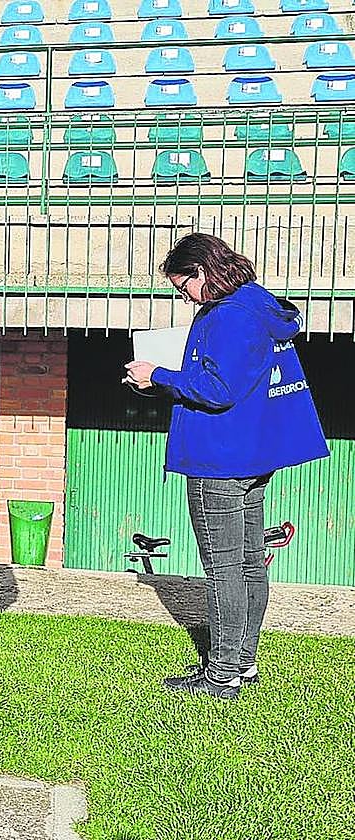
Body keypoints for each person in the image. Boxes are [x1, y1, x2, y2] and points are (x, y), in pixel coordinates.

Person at [124, 233, 328, 699]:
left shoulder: (230, 316)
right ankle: (244, 664)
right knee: (249, 561)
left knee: (225, 568)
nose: (184, 296)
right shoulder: (255, 304)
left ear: (203, 272)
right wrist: (172, 379)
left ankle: (222, 675)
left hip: (218, 457)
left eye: (183, 286)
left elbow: (217, 389)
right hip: (251, 452)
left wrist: (156, 374)